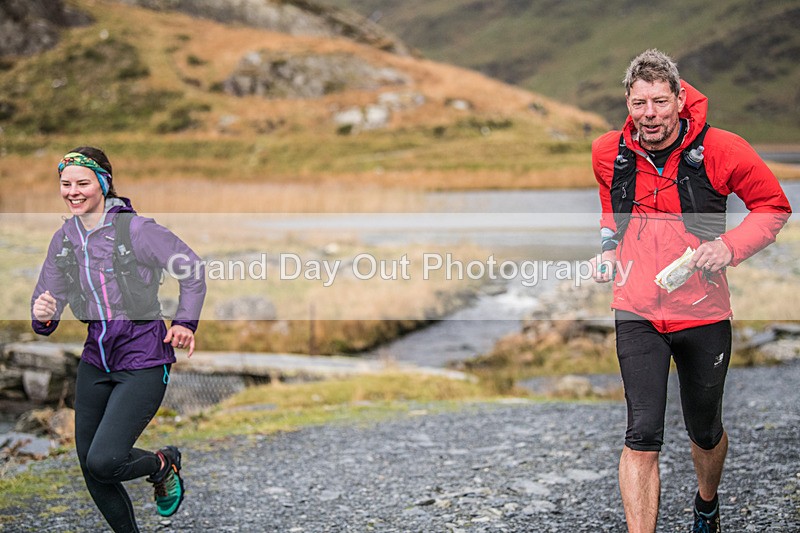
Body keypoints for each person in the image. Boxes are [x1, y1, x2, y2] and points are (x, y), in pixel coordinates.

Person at [588, 50, 791, 532]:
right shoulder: (608, 152)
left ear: (680, 99)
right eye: (640, 103)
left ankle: (706, 501)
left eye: (660, 102)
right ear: (628, 102)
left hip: (703, 311)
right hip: (636, 308)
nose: (650, 114)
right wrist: (608, 248)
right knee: (641, 436)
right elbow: (611, 209)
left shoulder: (723, 149)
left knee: (704, 431)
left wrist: (729, 246)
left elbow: (773, 206)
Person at [31, 147, 206, 532]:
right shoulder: (64, 239)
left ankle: (163, 464)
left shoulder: (138, 230)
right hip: (95, 361)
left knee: (105, 461)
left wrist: (185, 322)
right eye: (66, 184)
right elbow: (47, 298)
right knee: (91, 468)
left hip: (143, 360)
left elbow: (192, 270)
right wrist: (43, 314)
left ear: (104, 184)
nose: (73, 191)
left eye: (82, 183)